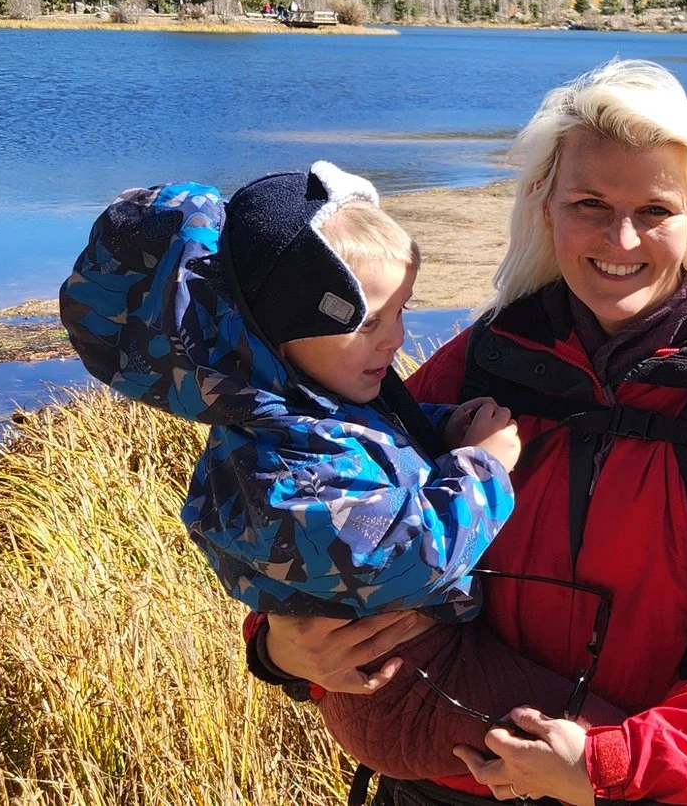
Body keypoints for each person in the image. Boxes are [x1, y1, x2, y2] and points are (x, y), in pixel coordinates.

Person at [252, 59, 687, 806]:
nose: (622, 237)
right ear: (544, 205)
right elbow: (328, 520)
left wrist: (612, 762)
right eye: (590, 203)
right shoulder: (480, 364)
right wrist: (280, 644)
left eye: (656, 209)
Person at [60, 162, 605, 781]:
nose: (396, 339)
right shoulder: (283, 465)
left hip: (423, 664)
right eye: (368, 322)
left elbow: (375, 440)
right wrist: (481, 466)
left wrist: (441, 426)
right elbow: (408, 557)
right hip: (406, 686)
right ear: (282, 329)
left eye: (401, 312)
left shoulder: (312, 405)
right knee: (599, 748)